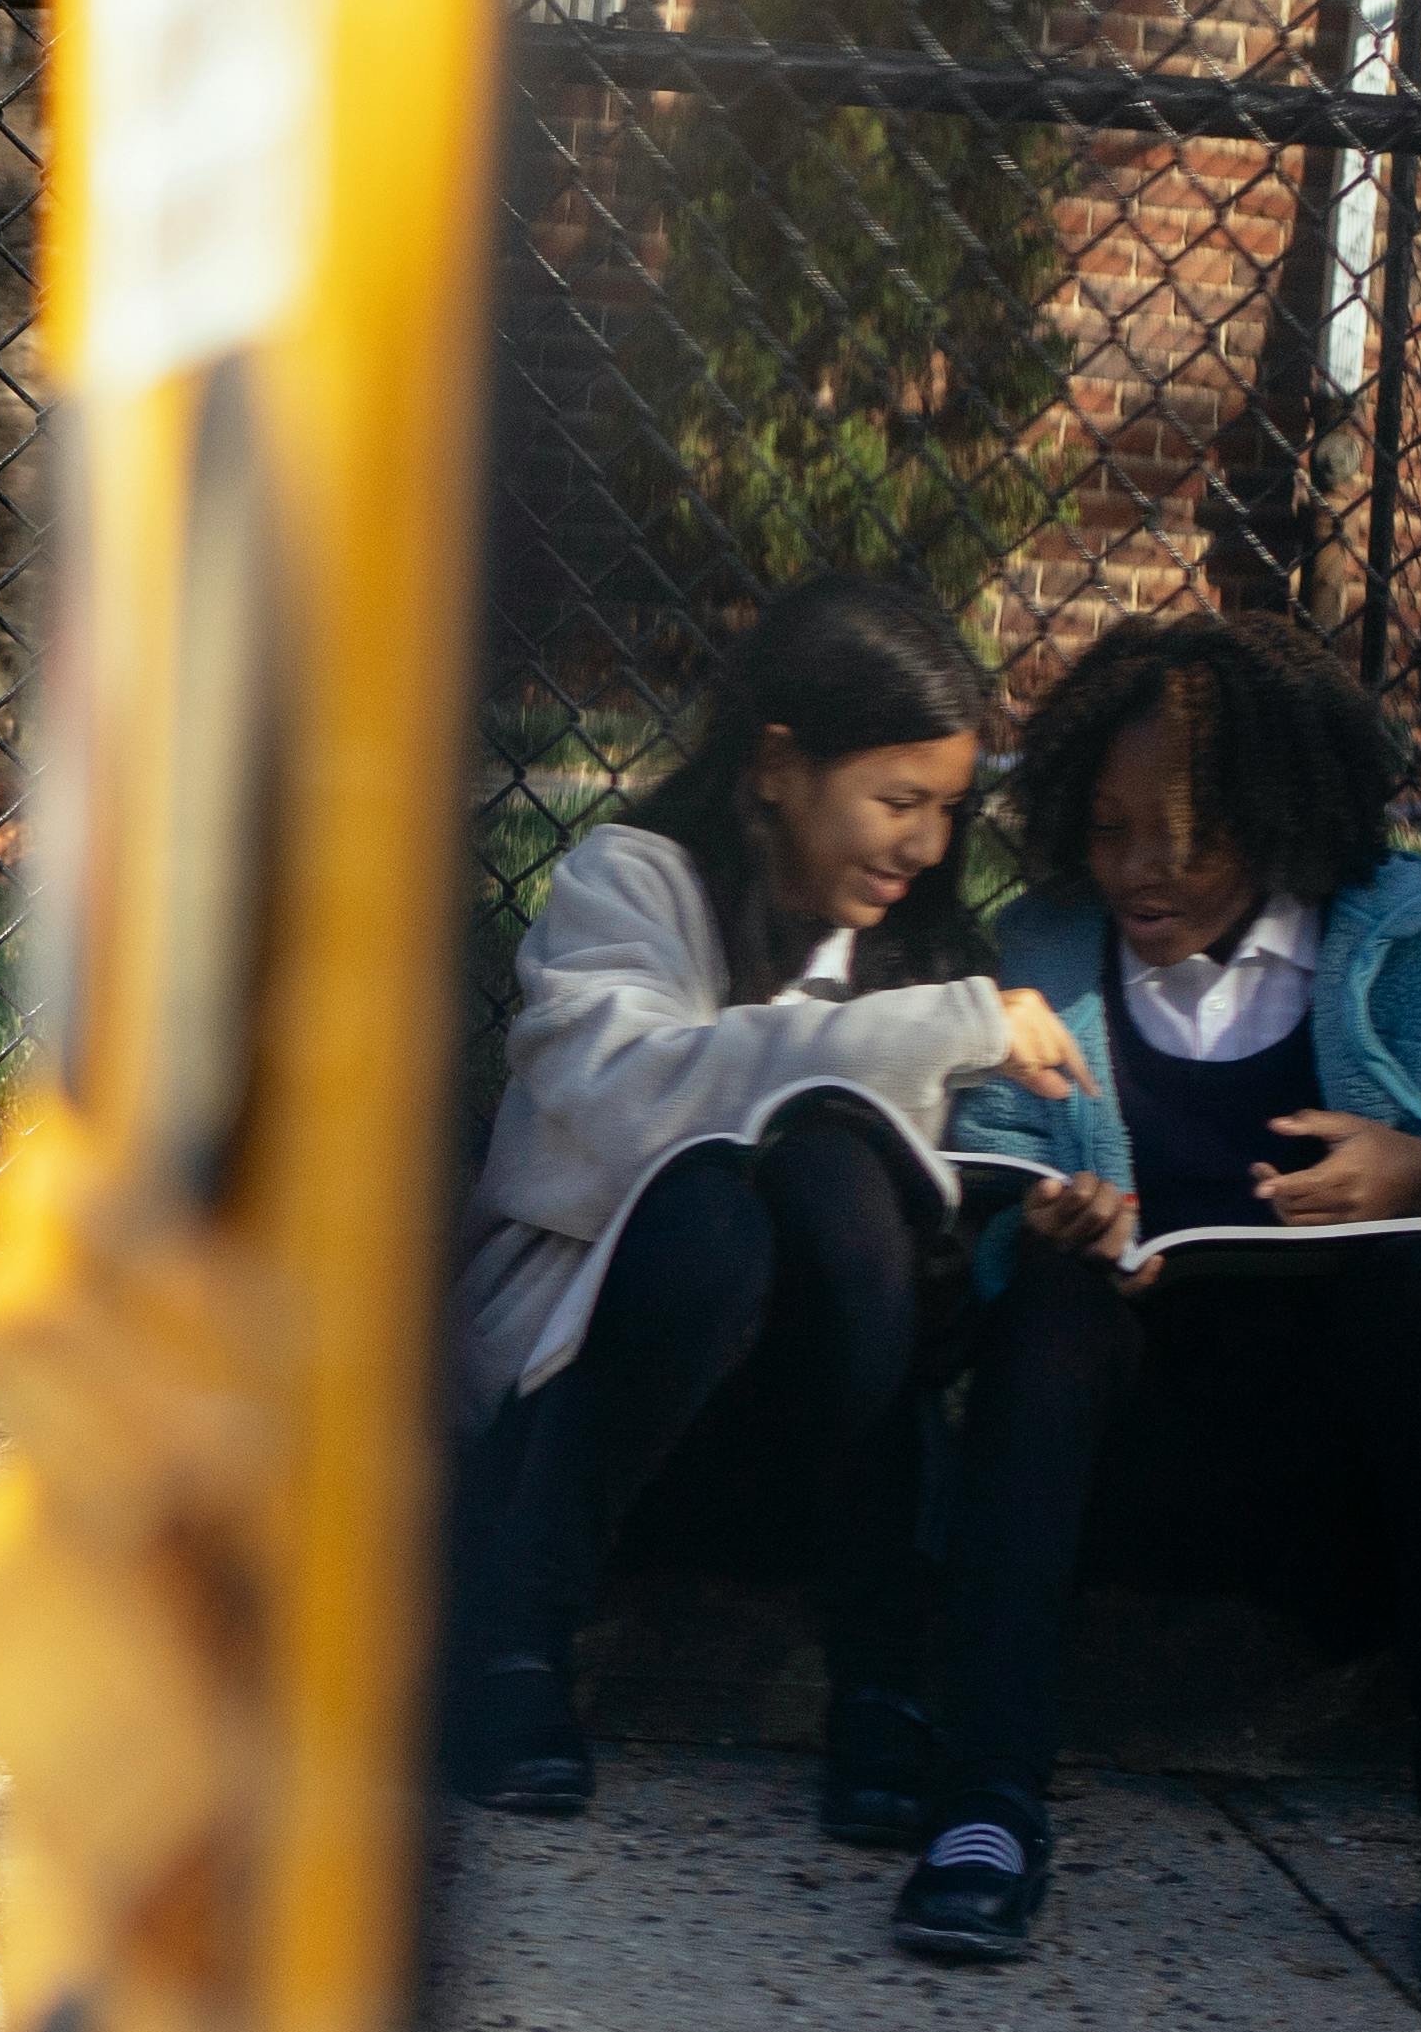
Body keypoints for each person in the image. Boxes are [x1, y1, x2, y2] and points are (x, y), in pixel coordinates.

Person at [895, 610, 1421, 1990]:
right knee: (1053, 1306)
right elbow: (985, 1169)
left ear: (1283, 818)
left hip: (1346, 1494)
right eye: (1108, 830)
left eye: (1186, 834)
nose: (1139, 871)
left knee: (1417, 1280)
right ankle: (984, 1808)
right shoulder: (1050, 951)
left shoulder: (1408, 956)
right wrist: (1042, 1225)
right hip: (1119, 1481)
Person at [437, 575, 1088, 1823]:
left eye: (950, 809)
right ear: (781, 763)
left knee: (842, 1175)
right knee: (715, 1208)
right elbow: (628, 1091)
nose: (927, 846)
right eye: (898, 802)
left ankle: (879, 1680)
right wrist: (932, 1033)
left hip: (809, 1441)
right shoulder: (628, 887)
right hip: (589, 1411)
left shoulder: (930, 958)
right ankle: (511, 1645)